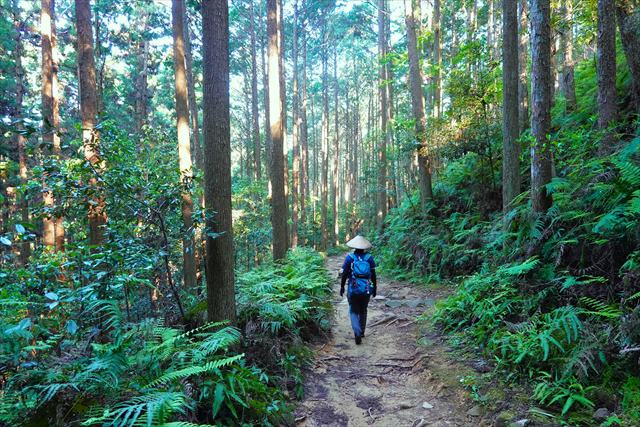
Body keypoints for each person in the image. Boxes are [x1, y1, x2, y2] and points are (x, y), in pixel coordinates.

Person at [340, 235, 377, 345]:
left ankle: (356, 331)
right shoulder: (369, 258)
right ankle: (361, 332)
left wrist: (342, 287)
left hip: (353, 288)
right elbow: (373, 275)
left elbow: (344, 274)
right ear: (364, 247)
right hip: (365, 288)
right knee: (363, 310)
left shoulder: (349, 258)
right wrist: (374, 288)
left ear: (354, 246)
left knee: (353, 309)